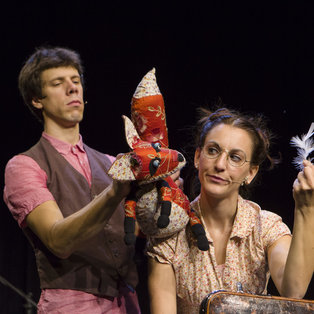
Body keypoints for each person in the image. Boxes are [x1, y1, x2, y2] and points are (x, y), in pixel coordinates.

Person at [3, 47, 142, 313]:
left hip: (126, 303)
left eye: (76, 81)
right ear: (36, 100)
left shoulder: (111, 162)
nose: (72, 89)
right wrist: (113, 194)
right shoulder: (25, 165)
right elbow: (58, 241)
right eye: (58, 83)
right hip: (71, 304)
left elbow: (131, 233)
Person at [147, 107, 314, 314]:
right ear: (198, 157)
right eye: (213, 150)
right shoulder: (169, 236)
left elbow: (293, 291)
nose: (220, 165)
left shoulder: (265, 227)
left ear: (251, 172)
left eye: (235, 157)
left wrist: (306, 209)